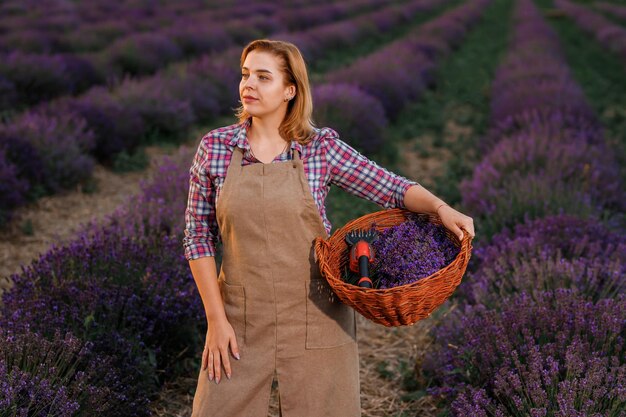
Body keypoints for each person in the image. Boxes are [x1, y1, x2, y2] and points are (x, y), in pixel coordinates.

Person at [182, 39, 475, 417]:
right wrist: (216, 320)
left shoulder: (320, 149)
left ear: (290, 90)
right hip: (239, 317)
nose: (248, 85)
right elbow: (197, 237)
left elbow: (392, 187)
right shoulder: (216, 147)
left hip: (315, 314)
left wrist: (440, 207)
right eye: (245, 75)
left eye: (263, 77)